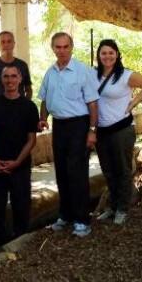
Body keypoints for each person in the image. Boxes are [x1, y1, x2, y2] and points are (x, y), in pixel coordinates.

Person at [38, 32, 98, 238]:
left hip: (79, 126)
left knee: (77, 172)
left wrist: (92, 130)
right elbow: (44, 99)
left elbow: (92, 103)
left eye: (65, 47)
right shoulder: (51, 72)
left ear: (71, 47)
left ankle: (82, 220)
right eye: (58, 47)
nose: (61, 51)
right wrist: (42, 118)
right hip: (59, 127)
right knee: (62, 172)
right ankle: (65, 215)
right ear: (53, 49)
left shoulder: (83, 71)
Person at [94, 39, 142, 225]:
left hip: (121, 129)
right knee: (108, 171)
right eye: (103, 53)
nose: (107, 56)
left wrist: (133, 103)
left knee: (122, 169)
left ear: (117, 54)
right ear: (99, 55)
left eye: (111, 53)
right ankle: (111, 207)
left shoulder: (125, 75)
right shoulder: (94, 75)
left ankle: (122, 208)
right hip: (101, 130)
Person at [0, 65, 38, 247]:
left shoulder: (29, 106)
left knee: (21, 205)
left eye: (14, 76)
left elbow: (31, 139)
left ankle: (21, 244)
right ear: (1, 80)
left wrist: (17, 162)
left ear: (20, 79)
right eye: (6, 77)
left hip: (19, 166)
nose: (10, 80)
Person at [0, 31, 32, 102]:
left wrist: (25, 106)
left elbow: (29, 90)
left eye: (9, 41)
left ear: (13, 44)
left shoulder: (22, 65)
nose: (6, 45)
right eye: (3, 42)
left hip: (19, 111)